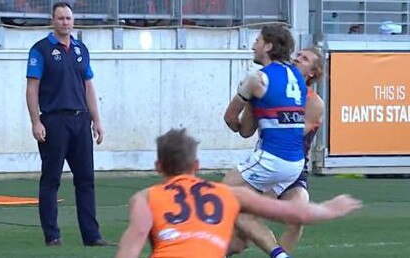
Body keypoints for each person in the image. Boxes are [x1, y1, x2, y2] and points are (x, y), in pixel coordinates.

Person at [115, 128, 362, 258]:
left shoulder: (144, 198)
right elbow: (294, 213)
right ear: (197, 166)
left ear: (158, 167)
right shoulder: (230, 194)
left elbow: (132, 244)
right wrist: (332, 207)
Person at [26, 1, 110, 247]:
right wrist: (35, 121)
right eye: (61, 18)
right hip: (54, 121)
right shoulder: (40, 50)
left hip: (80, 120)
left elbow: (88, 86)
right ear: (53, 21)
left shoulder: (81, 49)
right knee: (51, 179)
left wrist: (97, 120)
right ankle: (52, 235)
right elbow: (32, 89)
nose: (65, 22)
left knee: (86, 180)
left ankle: (92, 236)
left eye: (69, 18)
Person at [223, 24, 307, 258]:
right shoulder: (297, 76)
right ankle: (229, 246)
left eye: (258, 40)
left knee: (219, 196)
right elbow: (255, 127)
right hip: (295, 164)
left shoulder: (257, 79)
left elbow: (233, 121)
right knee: (242, 221)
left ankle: (278, 255)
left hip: (272, 159)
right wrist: (254, 105)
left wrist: (244, 106)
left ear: (268, 46)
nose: (253, 45)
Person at [232, 47, 326, 255]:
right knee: (239, 240)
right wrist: (251, 99)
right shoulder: (272, 88)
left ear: (313, 72)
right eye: (297, 55)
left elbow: (293, 135)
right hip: (271, 165)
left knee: (298, 218)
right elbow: (246, 131)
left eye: (304, 58)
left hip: (294, 168)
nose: (297, 59)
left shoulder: (314, 102)